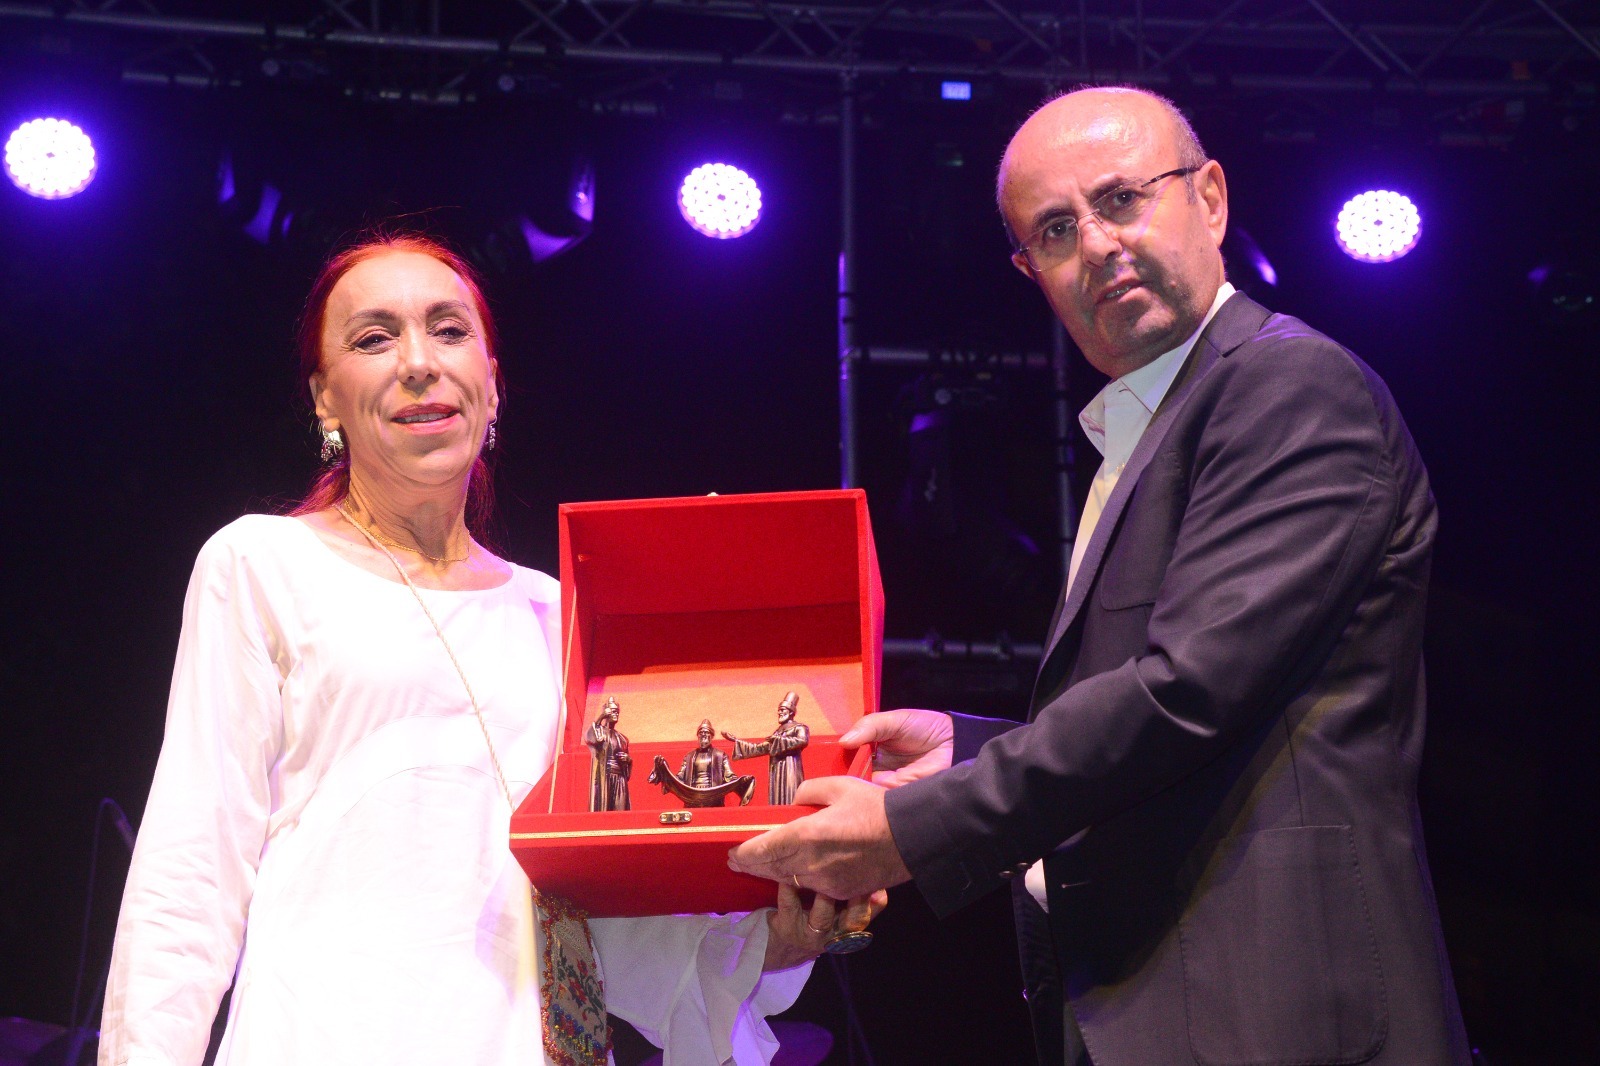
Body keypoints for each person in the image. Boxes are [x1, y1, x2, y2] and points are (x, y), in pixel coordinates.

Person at [730, 87, 1471, 1064]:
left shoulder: (1288, 386)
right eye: (1054, 230)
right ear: (1028, 270)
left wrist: (911, 826)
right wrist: (969, 751)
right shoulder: (1151, 427)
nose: (1097, 244)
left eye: (1122, 199)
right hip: (1168, 1006)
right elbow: (1204, 705)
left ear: (1210, 198)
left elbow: (1188, 692)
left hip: (1279, 1010)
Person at [101, 230, 882, 1066]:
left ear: (493, 383)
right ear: (325, 399)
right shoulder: (263, 563)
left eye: (448, 330)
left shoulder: (557, 616)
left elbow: (603, 914)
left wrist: (788, 932)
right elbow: (192, 869)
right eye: (374, 338)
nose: (418, 362)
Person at [724, 691, 810, 805]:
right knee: (777, 795)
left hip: (790, 766)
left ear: (791, 712)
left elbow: (802, 740)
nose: (779, 712)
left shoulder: (799, 727)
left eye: (782, 710)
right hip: (776, 768)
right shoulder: (777, 732)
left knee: (790, 791)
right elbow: (761, 748)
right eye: (779, 710)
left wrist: (779, 740)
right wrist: (736, 741)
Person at [586, 696, 632, 812]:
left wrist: (628, 760)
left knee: (620, 809)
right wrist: (600, 717)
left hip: (620, 778)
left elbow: (628, 765)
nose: (616, 714)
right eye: (613, 711)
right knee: (603, 807)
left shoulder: (622, 738)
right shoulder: (600, 731)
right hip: (605, 775)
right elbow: (592, 737)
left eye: (617, 712)